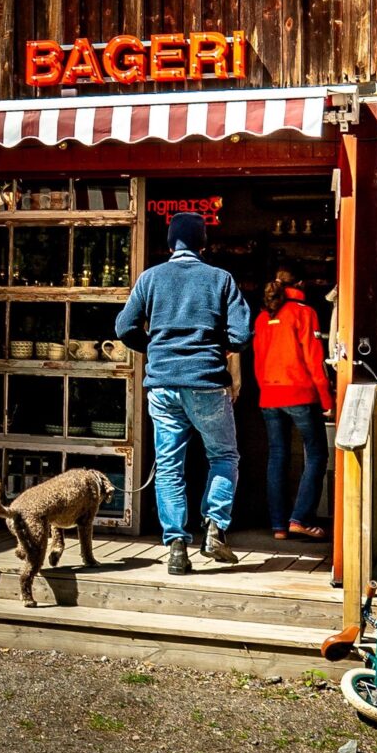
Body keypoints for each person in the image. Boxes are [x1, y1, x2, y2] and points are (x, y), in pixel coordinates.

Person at [115, 211, 254, 575]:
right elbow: (241, 336)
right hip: (207, 383)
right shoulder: (221, 279)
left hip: (162, 385)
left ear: (169, 243)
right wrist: (213, 346)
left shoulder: (150, 279)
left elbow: (123, 326)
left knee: (169, 466)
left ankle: (176, 547)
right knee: (224, 455)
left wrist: (155, 348)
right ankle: (215, 528)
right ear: (203, 243)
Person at [253, 265, 334, 540]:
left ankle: (279, 526)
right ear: (300, 283)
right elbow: (314, 360)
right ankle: (300, 518)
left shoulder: (263, 318)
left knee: (277, 456)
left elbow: (258, 362)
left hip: (269, 396)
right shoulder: (305, 313)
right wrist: (327, 399)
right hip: (300, 393)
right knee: (317, 454)